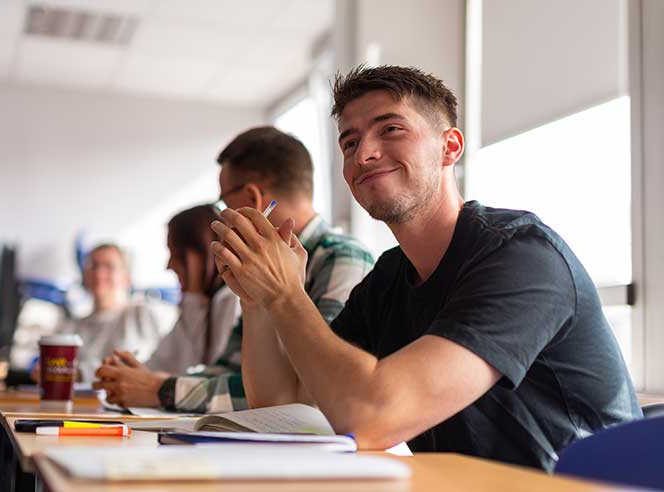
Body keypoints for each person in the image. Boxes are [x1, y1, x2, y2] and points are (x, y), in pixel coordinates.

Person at [211, 65, 641, 470]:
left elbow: (373, 417)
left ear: (449, 147)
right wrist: (258, 297)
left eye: (391, 129)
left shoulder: (523, 256)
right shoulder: (387, 279)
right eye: (350, 142)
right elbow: (283, 404)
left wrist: (288, 295)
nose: (364, 154)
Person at [94, 127, 374, 413]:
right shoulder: (260, 273)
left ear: (252, 200)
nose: (220, 216)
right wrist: (147, 382)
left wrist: (160, 389)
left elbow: (311, 386)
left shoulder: (342, 259)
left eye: (223, 203)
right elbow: (230, 369)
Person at [44, 244, 167, 384]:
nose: (99, 273)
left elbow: (153, 366)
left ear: (127, 277)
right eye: (93, 266)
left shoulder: (142, 315)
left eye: (109, 266)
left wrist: (81, 374)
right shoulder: (71, 326)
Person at [143, 204, 240, 374]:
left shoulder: (232, 300)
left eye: (176, 254)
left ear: (203, 252)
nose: (168, 265)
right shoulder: (198, 303)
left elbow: (215, 374)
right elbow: (160, 364)